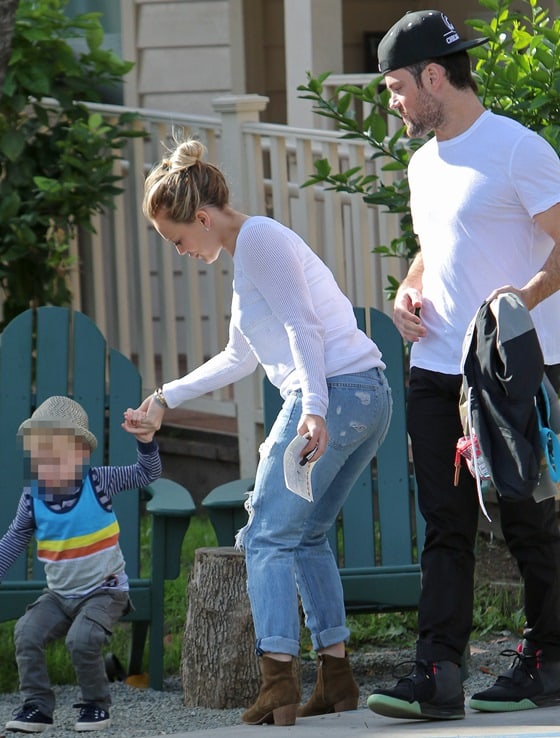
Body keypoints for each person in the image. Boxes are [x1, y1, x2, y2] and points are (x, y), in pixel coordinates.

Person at [366, 9, 560, 722]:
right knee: (445, 523)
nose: (392, 101)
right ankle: (437, 674)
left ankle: (546, 662)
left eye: (397, 86)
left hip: (510, 367)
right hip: (436, 366)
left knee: (526, 517)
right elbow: (437, 248)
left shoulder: (517, 149)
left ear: (435, 76)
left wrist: (516, 304)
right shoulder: (421, 162)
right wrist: (408, 289)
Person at [123, 137, 392, 727]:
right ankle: (337, 678)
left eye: (177, 239)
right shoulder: (248, 253)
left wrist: (314, 408)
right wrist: (165, 397)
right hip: (363, 394)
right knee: (307, 536)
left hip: (333, 395)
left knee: (265, 538)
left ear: (199, 217)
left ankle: (277, 684)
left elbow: (303, 328)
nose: (182, 252)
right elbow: (238, 356)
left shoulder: (262, 240)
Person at [0, 395, 161, 733]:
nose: (47, 470)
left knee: (81, 640)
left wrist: (146, 443)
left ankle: (96, 706)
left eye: (57, 460)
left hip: (105, 591)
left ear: (82, 455)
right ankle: (37, 707)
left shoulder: (99, 482)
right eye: (40, 462)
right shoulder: (32, 496)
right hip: (59, 594)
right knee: (26, 632)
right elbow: (14, 539)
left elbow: (148, 473)